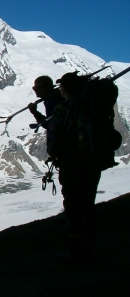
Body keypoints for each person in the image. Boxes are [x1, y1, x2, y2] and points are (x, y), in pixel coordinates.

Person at [47, 72, 101, 263]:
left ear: (64, 88)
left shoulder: (63, 109)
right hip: (91, 161)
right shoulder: (90, 106)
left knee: (72, 205)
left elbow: (54, 138)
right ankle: (89, 249)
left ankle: (74, 250)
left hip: (72, 162)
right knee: (88, 204)